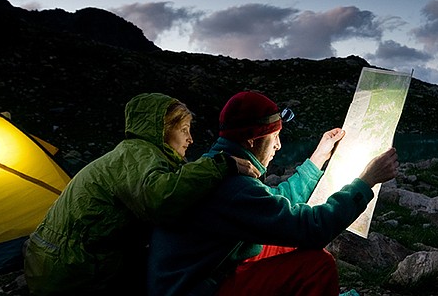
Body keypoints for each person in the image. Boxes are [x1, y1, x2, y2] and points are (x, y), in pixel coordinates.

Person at [148, 91, 399, 296]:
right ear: (252, 140)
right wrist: (366, 181)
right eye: (274, 137)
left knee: (280, 245)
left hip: (201, 274)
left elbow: (270, 203)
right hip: (194, 289)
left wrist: (317, 159)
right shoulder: (232, 186)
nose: (278, 146)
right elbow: (311, 229)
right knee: (317, 265)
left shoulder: (217, 166)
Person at [23, 92, 259, 296]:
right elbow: (160, 198)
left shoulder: (139, 155)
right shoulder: (137, 154)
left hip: (57, 261)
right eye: (184, 130)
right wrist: (221, 165)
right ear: (163, 130)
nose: (190, 139)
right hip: (70, 271)